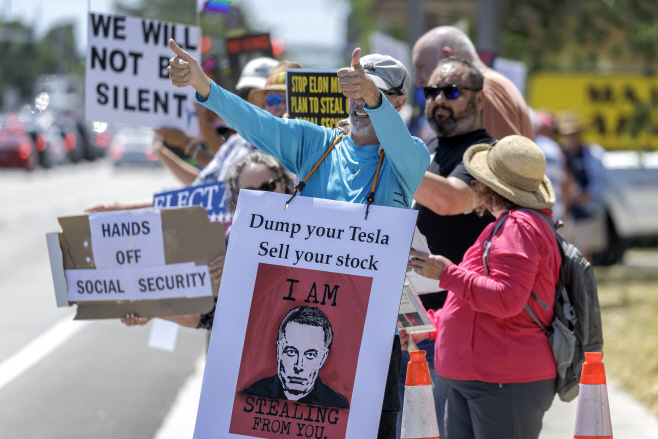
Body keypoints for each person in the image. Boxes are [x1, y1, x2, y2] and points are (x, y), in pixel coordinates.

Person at [167, 39, 430, 439]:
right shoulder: (318, 145)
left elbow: (398, 142)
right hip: (302, 327)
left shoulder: (408, 158)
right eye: (353, 93)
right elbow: (256, 122)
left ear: (396, 104)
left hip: (372, 343)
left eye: (370, 95)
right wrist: (205, 86)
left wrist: (372, 96)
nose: (359, 103)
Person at [405, 135, 560, 439]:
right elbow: (474, 302)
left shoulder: (518, 226)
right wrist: (431, 326)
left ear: (490, 185)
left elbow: (506, 299)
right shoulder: (508, 225)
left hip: (501, 380)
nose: (474, 183)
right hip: (486, 379)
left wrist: (446, 273)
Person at [399, 56, 496, 437]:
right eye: (432, 91)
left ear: (479, 99)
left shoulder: (486, 152)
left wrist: (384, 153)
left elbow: (450, 200)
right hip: (414, 321)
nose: (440, 99)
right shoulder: (426, 148)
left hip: (458, 327)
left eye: (452, 91)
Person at [122, 151, 295, 329]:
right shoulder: (231, 243)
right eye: (249, 191)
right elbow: (205, 316)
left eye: (268, 186)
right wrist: (149, 310)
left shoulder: (314, 231)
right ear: (236, 198)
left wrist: (245, 267)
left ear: (284, 185)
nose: (261, 196)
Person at [412, 26, 534, 144]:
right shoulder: (489, 84)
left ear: (447, 57)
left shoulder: (485, 88)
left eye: (421, 67)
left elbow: (497, 160)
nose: (417, 80)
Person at [243, 306, 349, 409]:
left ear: (322, 358)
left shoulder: (337, 406)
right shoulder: (251, 395)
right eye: (291, 352)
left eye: (310, 355)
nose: (298, 366)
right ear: (279, 350)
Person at [557, 110, 607, 260]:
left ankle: (583, 283)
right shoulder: (559, 154)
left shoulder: (592, 153)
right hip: (563, 211)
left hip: (585, 209)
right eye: (567, 134)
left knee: (583, 254)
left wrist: (586, 195)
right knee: (562, 254)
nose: (570, 138)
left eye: (573, 133)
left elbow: (600, 180)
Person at [532, 109, 569, 222]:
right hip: (555, 211)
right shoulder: (555, 148)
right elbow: (565, 182)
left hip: (533, 211)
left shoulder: (526, 146)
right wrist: (565, 211)